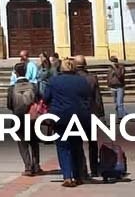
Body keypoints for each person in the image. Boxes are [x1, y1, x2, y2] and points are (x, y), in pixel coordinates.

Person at [44, 57, 92, 189]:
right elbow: (88, 96)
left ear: (61, 68)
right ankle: (78, 176)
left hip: (61, 117)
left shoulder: (54, 81)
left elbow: (46, 98)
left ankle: (67, 176)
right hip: (79, 117)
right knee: (77, 145)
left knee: (63, 147)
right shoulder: (82, 81)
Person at [5, 62, 41, 176]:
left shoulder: (12, 88)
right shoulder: (34, 86)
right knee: (34, 142)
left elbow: (9, 105)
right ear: (26, 71)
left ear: (15, 73)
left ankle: (28, 167)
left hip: (18, 118)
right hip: (32, 119)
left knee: (22, 143)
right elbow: (39, 101)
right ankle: (36, 165)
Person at [75, 56, 104, 182]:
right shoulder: (92, 78)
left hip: (77, 115)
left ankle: (82, 169)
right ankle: (94, 169)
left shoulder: (73, 79)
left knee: (77, 143)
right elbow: (97, 98)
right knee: (92, 143)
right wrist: (100, 114)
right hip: (91, 114)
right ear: (85, 65)